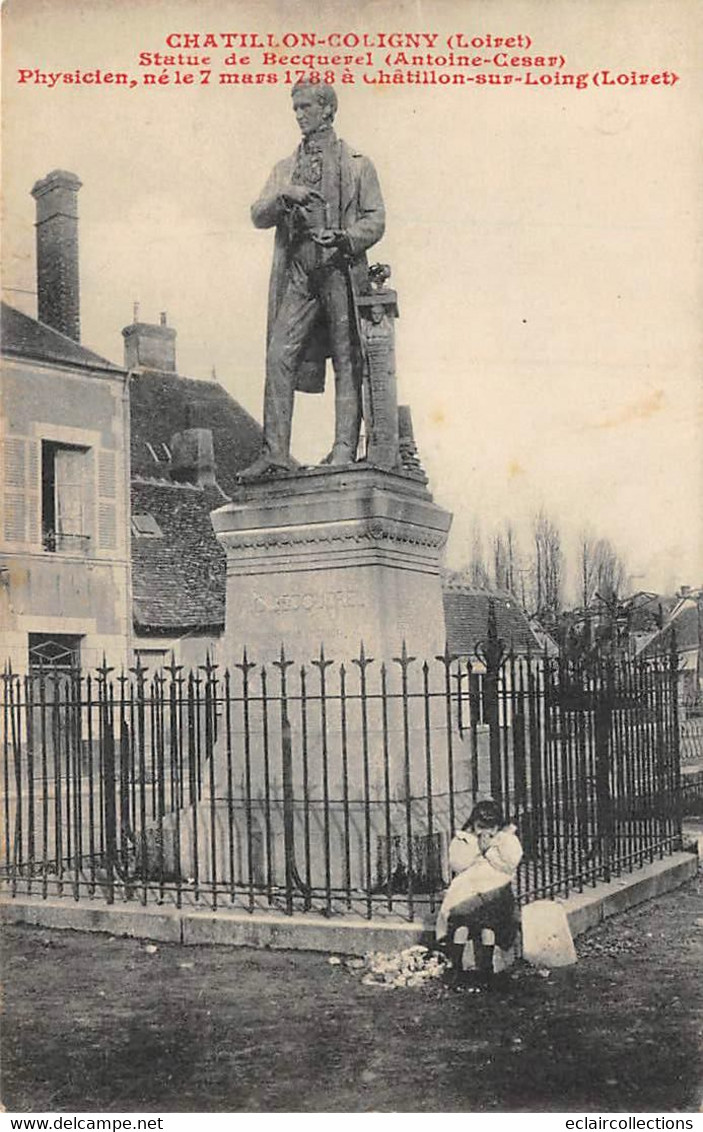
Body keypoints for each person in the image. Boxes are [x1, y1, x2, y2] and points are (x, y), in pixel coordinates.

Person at [239, 82, 386, 480]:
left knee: (346, 358)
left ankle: (343, 449)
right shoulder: (284, 168)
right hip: (300, 272)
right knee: (278, 356)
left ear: (327, 109)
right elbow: (257, 213)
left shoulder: (358, 163)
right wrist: (285, 195)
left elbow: (375, 219)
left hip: (339, 267)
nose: (299, 114)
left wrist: (345, 238)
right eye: (295, 107)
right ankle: (275, 454)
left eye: (306, 107)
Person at [435, 800, 523, 986]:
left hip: (494, 891)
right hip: (468, 892)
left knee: (487, 925)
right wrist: (476, 849)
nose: (485, 832)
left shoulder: (506, 840)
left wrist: (489, 850)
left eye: (490, 828)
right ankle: (457, 967)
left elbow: (509, 865)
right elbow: (458, 864)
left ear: (498, 827)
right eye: (480, 827)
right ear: (473, 824)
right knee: (461, 924)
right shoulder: (464, 839)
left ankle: (487, 969)